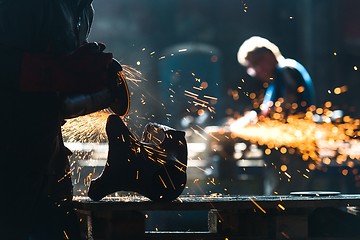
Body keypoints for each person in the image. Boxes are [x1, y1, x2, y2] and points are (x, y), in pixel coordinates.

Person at [0, 1, 120, 239]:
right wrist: (58, 72)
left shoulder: (83, 9)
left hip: (48, 161)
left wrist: (88, 78)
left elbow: (54, 92)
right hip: (8, 167)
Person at [237, 36, 316, 116]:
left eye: (256, 64)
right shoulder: (275, 80)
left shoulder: (286, 69)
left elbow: (290, 100)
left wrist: (263, 118)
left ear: (269, 55)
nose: (255, 72)